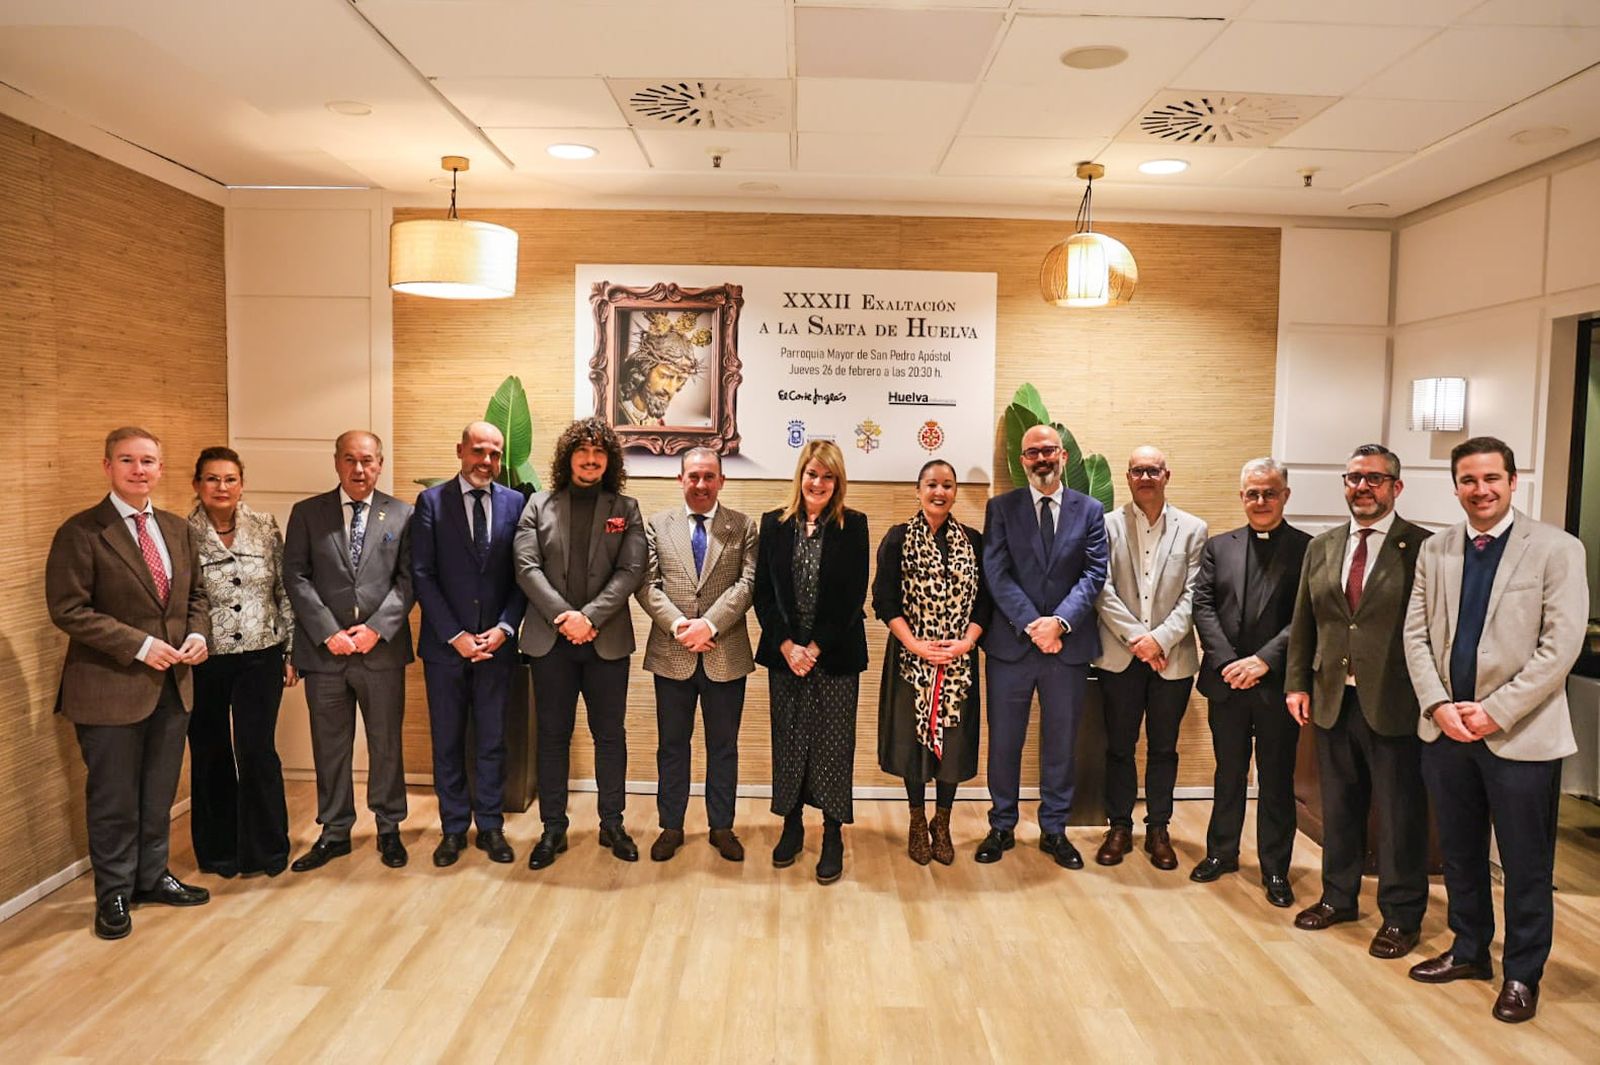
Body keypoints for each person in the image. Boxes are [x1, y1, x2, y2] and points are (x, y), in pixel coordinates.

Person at [1403, 436, 1588, 1024]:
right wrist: (1439, 706)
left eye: (1491, 479)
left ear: (1512, 482)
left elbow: (1559, 648)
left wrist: (1496, 710)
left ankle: (1523, 973)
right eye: (1467, 480)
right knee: (1458, 853)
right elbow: (1415, 635)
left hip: (1521, 736)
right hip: (1447, 732)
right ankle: (1468, 950)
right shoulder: (1437, 549)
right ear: (1455, 485)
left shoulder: (1557, 549)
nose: (1479, 490)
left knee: (1525, 862)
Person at [46, 427, 212, 939]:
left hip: (173, 686)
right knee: (113, 798)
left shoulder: (178, 528)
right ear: (107, 467)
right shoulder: (81, 532)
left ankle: (151, 875)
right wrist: (139, 645)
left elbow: (196, 597)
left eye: (148, 461)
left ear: (161, 469)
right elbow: (68, 609)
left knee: (158, 792)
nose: (139, 470)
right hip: (108, 688)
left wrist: (199, 635)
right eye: (127, 461)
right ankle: (113, 892)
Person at [1285, 443, 1431, 959]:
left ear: (1396, 486)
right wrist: (1296, 682)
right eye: (1353, 479)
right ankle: (1338, 897)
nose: (1362, 488)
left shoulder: (1424, 549)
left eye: (1373, 479)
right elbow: (1306, 621)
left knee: (1398, 814)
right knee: (1340, 808)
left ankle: (1401, 914)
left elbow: (1433, 632)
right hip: (1331, 699)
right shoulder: (1322, 546)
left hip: (1396, 703)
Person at [514, 417, 646, 868]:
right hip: (551, 642)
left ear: (608, 461)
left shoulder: (625, 508)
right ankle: (553, 828)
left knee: (610, 735)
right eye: (582, 452)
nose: (590, 460)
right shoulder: (538, 505)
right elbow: (527, 568)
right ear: (568, 457)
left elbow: (630, 571)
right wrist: (563, 617)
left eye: (599, 453)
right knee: (552, 736)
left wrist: (587, 617)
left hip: (606, 642)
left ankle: (613, 823)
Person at [283, 430, 416, 872]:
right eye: (350, 460)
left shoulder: (402, 514)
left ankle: (389, 827)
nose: (359, 470)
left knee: (385, 743)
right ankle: (335, 830)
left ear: (380, 464)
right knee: (330, 745)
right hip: (325, 655)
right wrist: (328, 632)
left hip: (381, 653)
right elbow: (296, 577)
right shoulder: (307, 513)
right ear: (336, 462)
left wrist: (376, 630)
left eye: (368, 461)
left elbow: (408, 581)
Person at [977, 424, 1108, 869]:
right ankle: (1001, 825)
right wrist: (1034, 623)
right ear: (1023, 460)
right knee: (1005, 742)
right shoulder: (1001, 508)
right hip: (1012, 646)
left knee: (1061, 743)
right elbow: (995, 572)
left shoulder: (1090, 510)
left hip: (1066, 650)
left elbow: (1094, 574)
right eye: (1032, 453)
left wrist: (1060, 624)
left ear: (1064, 456)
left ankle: (1054, 830)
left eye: (1048, 450)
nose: (1041, 459)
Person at [1190, 458, 1310, 907]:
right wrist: (1227, 663)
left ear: (1285, 495)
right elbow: (1202, 606)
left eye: (1269, 493)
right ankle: (1221, 853)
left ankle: (1276, 869)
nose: (1260, 501)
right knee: (1229, 773)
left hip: (1277, 685)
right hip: (1227, 684)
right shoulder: (1219, 546)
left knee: (1277, 779)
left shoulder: (1307, 549)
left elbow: (1306, 616)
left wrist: (1262, 661)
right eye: (1252, 494)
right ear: (1242, 497)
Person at [411, 422, 528, 868]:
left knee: (494, 740)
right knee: (447, 740)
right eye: (479, 451)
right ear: (460, 450)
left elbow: (522, 575)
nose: (487, 461)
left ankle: (492, 826)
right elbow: (422, 573)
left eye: (495, 454)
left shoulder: (517, 503)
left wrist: (503, 628)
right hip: (446, 648)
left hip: (497, 646)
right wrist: (455, 635)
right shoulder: (432, 502)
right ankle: (454, 828)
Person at [754, 440, 869, 885]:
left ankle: (834, 832)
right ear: (799, 475)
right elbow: (763, 593)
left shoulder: (853, 525)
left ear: (837, 483)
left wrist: (814, 648)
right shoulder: (774, 524)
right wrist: (787, 646)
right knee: (789, 741)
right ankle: (792, 823)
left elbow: (851, 597)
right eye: (811, 473)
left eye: (827, 476)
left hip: (834, 653)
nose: (817, 483)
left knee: (834, 746)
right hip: (786, 654)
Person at [636, 447, 758, 862]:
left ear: (721, 480)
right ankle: (671, 825)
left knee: (723, 746)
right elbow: (648, 585)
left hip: (726, 652)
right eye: (693, 476)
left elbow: (747, 584)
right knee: (672, 745)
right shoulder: (657, 525)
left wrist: (708, 625)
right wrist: (680, 627)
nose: (701, 484)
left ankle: (721, 827)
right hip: (672, 653)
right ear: (680, 479)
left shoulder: (743, 527)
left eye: (709, 476)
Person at [1091, 446, 1206, 870]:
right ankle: (1119, 826)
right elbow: (1100, 588)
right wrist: (1139, 639)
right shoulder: (1105, 526)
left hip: (1171, 660)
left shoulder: (1194, 529)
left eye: (1152, 470)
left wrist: (1159, 640)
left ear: (1166, 475)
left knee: (1164, 749)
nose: (1145, 477)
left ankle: (1158, 827)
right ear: (1127, 477)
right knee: (1119, 747)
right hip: (1119, 657)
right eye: (1138, 470)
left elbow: (1195, 595)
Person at [873, 458, 991, 866]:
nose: (939, 492)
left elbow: (985, 603)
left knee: (952, 744)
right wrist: (917, 645)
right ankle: (916, 819)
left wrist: (966, 643)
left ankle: (943, 823)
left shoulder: (974, 540)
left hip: (959, 660)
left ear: (955, 491)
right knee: (913, 741)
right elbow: (884, 600)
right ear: (917, 489)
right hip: (912, 658)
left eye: (947, 485)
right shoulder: (898, 537)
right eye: (931, 484)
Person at [186, 446, 295, 879]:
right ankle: (218, 853)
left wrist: (291, 651)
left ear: (242, 483)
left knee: (257, 750)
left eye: (230, 479)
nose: (221, 487)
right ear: (197, 484)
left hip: (260, 655)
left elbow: (283, 590)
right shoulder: (180, 531)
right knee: (210, 751)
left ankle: (266, 851)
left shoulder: (265, 526)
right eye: (212, 479)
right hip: (204, 659)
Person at [619, 320, 703, 426]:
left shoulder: (658, 424)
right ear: (644, 369)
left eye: (680, 379)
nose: (670, 389)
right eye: (665, 376)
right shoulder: (616, 414)